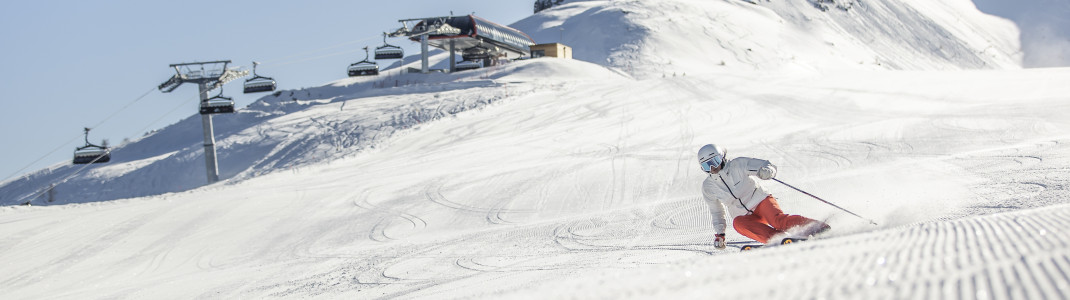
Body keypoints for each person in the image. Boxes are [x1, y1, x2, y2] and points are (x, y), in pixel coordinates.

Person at [697, 144, 830, 249]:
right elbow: (716, 212)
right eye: (706, 165)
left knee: (777, 221)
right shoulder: (708, 187)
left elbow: (765, 165)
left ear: (722, 157)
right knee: (738, 223)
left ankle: (817, 227)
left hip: (760, 200)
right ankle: (778, 239)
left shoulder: (738, 164)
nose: (712, 168)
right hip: (744, 215)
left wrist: (767, 171)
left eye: (714, 161)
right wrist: (720, 234)